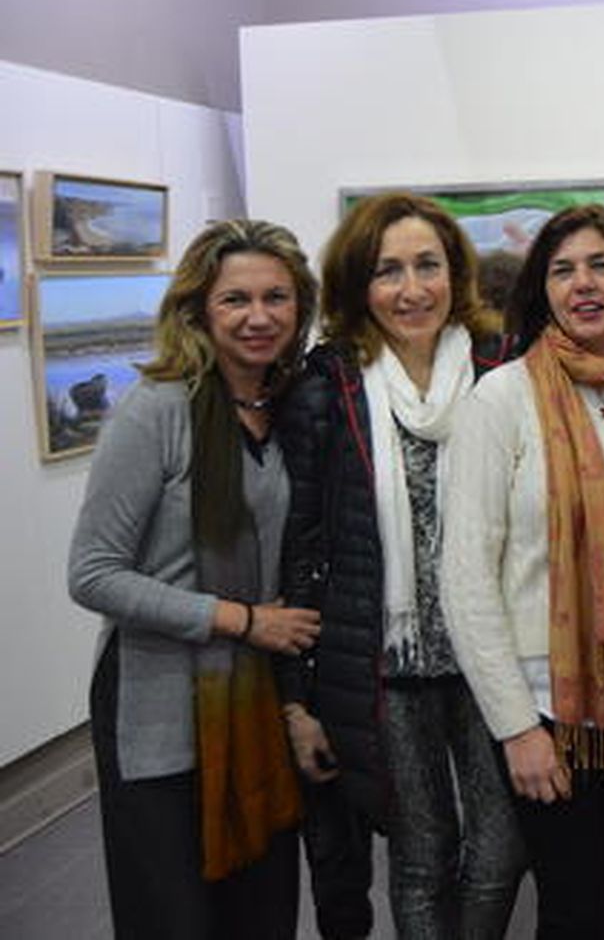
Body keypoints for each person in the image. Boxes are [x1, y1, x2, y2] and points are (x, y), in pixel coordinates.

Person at [441, 203, 604, 940]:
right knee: (574, 904)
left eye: (600, 264)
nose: (582, 283)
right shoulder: (501, 398)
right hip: (545, 702)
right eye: (562, 270)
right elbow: (465, 576)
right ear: (541, 289)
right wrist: (516, 729)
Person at [275, 193, 523, 939]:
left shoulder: (501, 366)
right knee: (423, 853)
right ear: (358, 283)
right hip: (387, 663)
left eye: (427, 265)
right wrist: (297, 697)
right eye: (388, 271)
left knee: (505, 846)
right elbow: (302, 545)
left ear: (456, 272)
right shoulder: (327, 383)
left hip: (493, 655)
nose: (411, 289)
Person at [68, 219, 322, 939]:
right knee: (174, 917)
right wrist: (241, 618)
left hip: (252, 707)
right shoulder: (155, 412)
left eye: (277, 296)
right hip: (156, 710)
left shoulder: (291, 413)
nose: (259, 315)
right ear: (198, 311)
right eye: (235, 298)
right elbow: (92, 573)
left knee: (261, 911)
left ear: (299, 308)